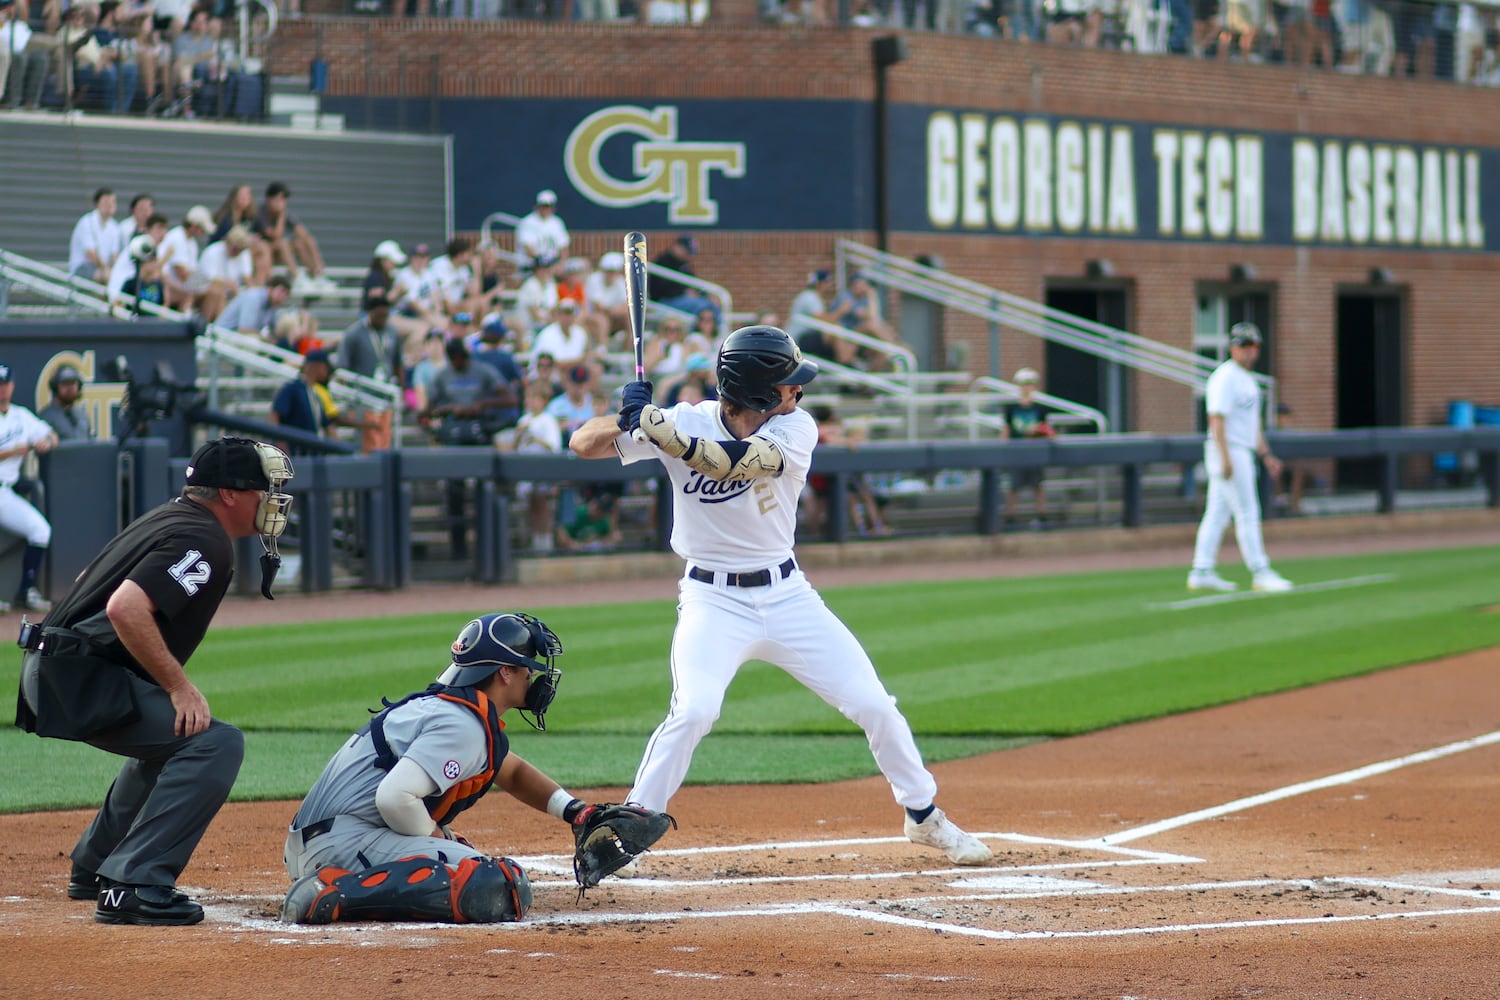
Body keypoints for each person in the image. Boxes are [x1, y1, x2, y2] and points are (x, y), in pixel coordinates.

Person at [568, 325, 992, 867]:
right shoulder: (686, 419)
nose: (799, 390)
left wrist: (660, 430)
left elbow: (729, 463)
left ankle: (924, 817)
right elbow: (584, 445)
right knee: (694, 709)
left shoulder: (796, 428)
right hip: (711, 601)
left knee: (873, 704)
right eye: (789, 383)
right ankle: (630, 827)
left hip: (789, 596)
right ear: (759, 391)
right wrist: (627, 414)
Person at [14, 436, 294, 925]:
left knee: (177, 738)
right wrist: (178, 685)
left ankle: (97, 864)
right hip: (78, 676)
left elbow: (90, 577)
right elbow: (125, 607)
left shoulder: (170, 517)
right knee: (214, 744)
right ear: (229, 494)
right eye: (262, 489)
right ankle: (134, 882)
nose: (270, 500)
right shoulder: (204, 539)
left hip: (58, 667)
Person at [279, 612, 626, 925]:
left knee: (469, 865)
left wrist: (577, 812)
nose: (534, 677)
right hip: (341, 845)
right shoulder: (462, 725)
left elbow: (511, 771)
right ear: (505, 672)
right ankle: (335, 892)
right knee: (498, 883)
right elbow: (394, 798)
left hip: (321, 840)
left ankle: (336, 881)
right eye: (527, 668)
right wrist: (436, 835)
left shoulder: (449, 711)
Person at [1188, 322, 1293, 593]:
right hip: (1228, 449)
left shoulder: (1249, 381)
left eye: (1252, 346)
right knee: (1248, 511)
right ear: (1233, 348)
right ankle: (1261, 570)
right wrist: (1225, 457)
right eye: (1242, 346)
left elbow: (1252, 424)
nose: (1247, 351)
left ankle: (1202, 570)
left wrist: (1266, 454)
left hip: (1242, 449)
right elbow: (1216, 419)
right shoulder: (1224, 377)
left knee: (1217, 513)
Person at [0, 363, 59, 612]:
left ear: (12, 386)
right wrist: (15, 451)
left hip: (4, 491)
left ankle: (26, 591)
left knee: (40, 530)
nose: (2, 390)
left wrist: (46, 442)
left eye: (5, 384)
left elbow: (51, 435)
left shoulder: (21, 416)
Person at [269, 349, 379, 444]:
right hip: (294, 453)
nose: (327, 372)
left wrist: (339, 449)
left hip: (310, 451)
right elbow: (275, 415)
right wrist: (279, 444)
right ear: (317, 366)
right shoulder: (293, 389)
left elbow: (328, 425)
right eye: (325, 367)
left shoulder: (315, 393)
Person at [1002, 367, 1055, 530]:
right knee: (1013, 486)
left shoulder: (1040, 409)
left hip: (1034, 451)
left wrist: (1041, 433)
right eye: (1024, 384)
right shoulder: (1011, 409)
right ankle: (1010, 517)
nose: (1027, 388)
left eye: (1030, 384)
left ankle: (1042, 515)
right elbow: (1006, 430)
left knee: (1037, 485)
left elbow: (1048, 430)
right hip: (1017, 451)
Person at [254, 181, 329, 290]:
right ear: (269, 199)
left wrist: (309, 242)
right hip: (266, 253)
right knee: (283, 243)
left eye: (283, 199)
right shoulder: (261, 213)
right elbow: (275, 236)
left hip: (280, 252)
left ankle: (317, 275)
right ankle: (296, 276)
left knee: (301, 242)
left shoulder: (285, 213)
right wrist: (281, 217)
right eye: (278, 199)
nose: (281, 203)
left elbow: (303, 233)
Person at [68, 188, 123, 285]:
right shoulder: (86, 222)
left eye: (112, 202)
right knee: (106, 276)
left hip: (104, 268)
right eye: (106, 203)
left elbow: (114, 255)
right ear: (97, 204)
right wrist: (106, 269)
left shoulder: (114, 227)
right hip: (83, 267)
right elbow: (90, 254)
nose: (110, 206)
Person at [513, 188, 569, 269]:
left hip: (553, 264)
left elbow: (563, 246)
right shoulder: (527, 222)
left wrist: (562, 264)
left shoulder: (557, 222)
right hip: (532, 265)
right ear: (537, 206)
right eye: (543, 206)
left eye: (549, 206)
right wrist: (544, 264)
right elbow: (528, 248)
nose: (546, 209)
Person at [38, 363, 91, 441]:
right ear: (56, 387)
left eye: (73, 384)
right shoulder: (46, 417)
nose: (70, 388)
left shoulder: (82, 415)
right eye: (65, 384)